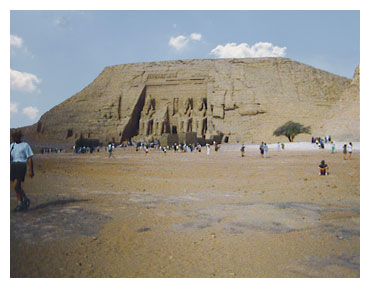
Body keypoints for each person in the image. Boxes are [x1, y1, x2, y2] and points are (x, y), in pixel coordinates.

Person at [10, 130, 34, 212]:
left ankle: (23, 200)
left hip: (21, 165)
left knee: (16, 185)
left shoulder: (25, 145)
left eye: (16, 136)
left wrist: (31, 170)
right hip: (13, 165)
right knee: (16, 187)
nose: (14, 138)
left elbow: (30, 158)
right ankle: (21, 203)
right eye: (13, 137)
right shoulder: (11, 145)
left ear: (19, 137)